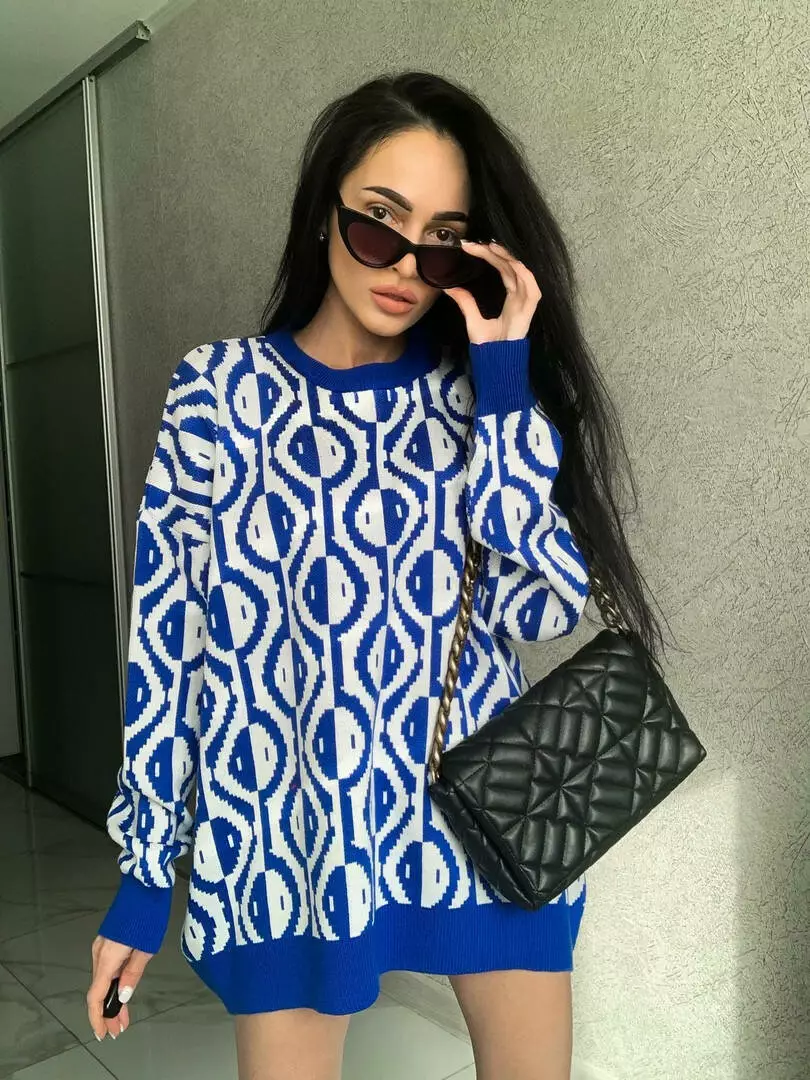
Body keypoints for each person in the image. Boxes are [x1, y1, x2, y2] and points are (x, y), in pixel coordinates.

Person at [87, 70, 668, 1080]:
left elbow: (541, 607)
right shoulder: (218, 394)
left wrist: (502, 384)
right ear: (326, 212)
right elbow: (168, 644)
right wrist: (145, 878)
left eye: (442, 241)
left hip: (487, 821)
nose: (405, 264)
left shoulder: (476, 400)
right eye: (378, 224)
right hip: (287, 836)